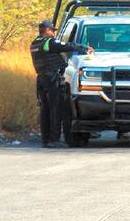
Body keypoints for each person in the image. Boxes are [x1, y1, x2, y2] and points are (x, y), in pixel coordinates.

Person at [30, 20, 93, 148]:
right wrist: (85, 48)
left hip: (41, 78)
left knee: (45, 109)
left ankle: (45, 139)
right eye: (52, 30)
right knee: (55, 108)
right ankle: (54, 139)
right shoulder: (49, 42)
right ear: (47, 30)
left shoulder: (34, 43)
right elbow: (67, 46)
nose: (53, 33)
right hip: (52, 78)